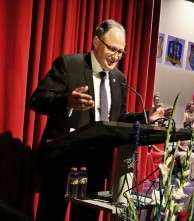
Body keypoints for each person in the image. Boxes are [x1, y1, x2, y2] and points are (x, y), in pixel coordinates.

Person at [29, 19, 171, 221]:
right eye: (112, 49)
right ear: (96, 42)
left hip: (95, 165)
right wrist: (67, 101)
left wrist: (146, 116)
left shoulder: (119, 78)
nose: (116, 57)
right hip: (62, 162)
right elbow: (37, 100)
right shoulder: (70, 65)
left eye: (121, 52)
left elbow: (119, 118)